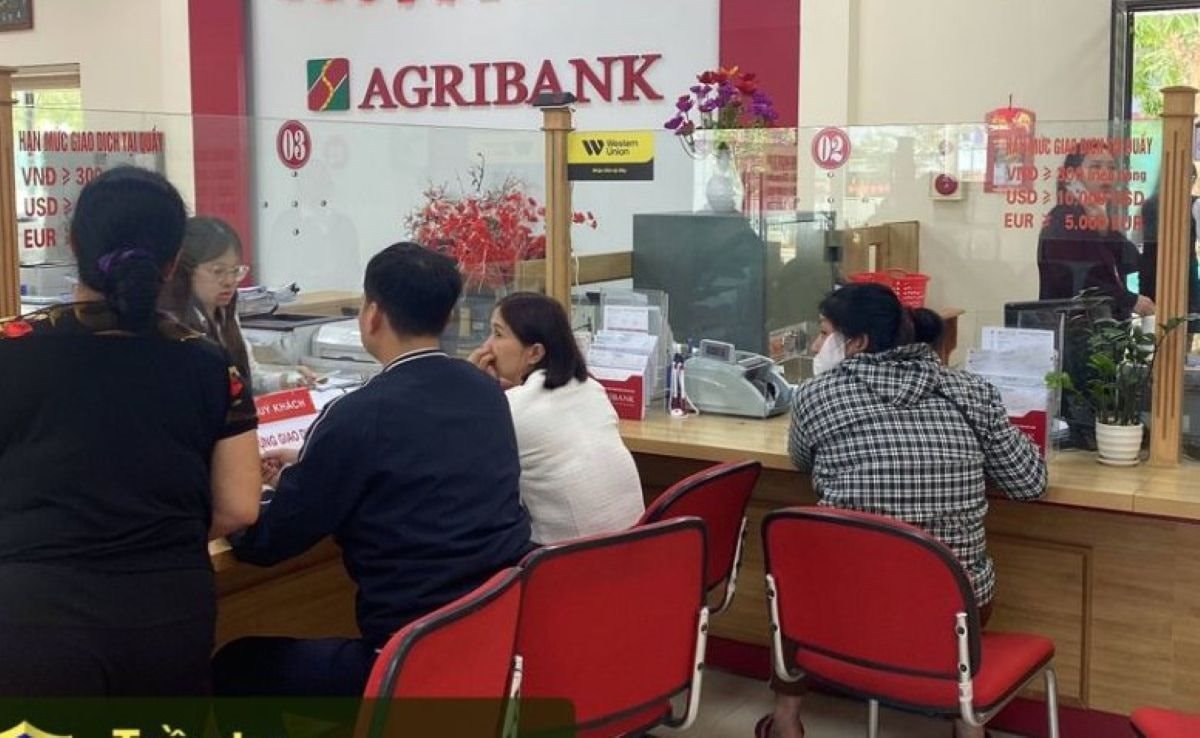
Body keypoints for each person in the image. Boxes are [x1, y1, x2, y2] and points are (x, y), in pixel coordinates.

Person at [213, 242, 533, 696]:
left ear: (372, 315)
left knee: (236, 664)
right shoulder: (484, 391)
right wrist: (312, 467)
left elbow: (266, 541)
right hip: (491, 639)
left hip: (407, 661)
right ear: (447, 318)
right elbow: (419, 467)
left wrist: (238, 492)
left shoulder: (359, 415)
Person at [0, 166, 261, 696]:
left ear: (74, 244)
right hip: (166, 613)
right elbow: (239, 508)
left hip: (31, 616)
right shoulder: (211, 364)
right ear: (173, 263)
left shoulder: (11, 347)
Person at [761, 283, 1048, 738]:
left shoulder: (817, 395)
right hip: (957, 611)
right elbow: (1029, 482)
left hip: (842, 605)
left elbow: (802, 461)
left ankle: (785, 721)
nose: (816, 346)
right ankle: (967, 726)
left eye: (824, 334)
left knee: (798, 580)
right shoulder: (971, 392)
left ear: (857, 343)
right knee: (944, 594)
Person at [468, 292, 644, 545]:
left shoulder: (510, 408)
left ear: (534, 352)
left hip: (567, 558)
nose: (486, 346)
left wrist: (475, 387)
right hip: (635, 548)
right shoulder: (592, 389)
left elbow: (467, 472)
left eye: (497, 334)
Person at [161, 216, 316, 393]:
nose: (230, 281)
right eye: (218, 271)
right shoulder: (171, 325)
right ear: (186, 271)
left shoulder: (226, 314)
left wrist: (285, 381)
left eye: (235, 271)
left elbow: (248, 379)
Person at [1037, 144, 1154, 320]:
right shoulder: (1062, 220)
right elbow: (1076, 282)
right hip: (1075, 328)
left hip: (1106, 328)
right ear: (1073, 176)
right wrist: (1130, 300)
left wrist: (1106, 231)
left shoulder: (1096, 220)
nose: (1105, 174)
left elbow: (1132, 261)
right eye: (1096, 166)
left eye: (1111, 168)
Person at [1139, 165, 1200, 327]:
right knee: (1185, 322)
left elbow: (1138, 238)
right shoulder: (1195, 204)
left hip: (1151, 268)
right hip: (1182, 268)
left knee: (1151, 323)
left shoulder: (1148, 203)